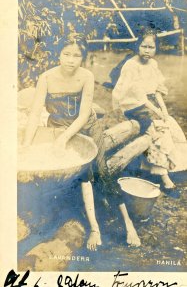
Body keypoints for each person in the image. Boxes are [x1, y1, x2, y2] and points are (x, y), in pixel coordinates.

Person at [21, 33, 104, 251]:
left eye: (76, 55)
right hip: (57, 126)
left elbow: (84, 114)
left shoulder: (86, 76)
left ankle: (95, 227)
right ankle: (46, 217)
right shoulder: (46, 78)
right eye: (66, 54)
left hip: (84, 127)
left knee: (96, 173)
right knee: (53, 169)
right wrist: (27, 146)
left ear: (82, 58)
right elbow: (34, 113)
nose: (70, 59)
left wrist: (65, 139)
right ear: (58, 55)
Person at [112, 28, 186, 191]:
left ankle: (171, 166)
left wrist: (164, 111)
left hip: (149, 103)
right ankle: (164, 177)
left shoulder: (153, 64)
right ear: (138, 46)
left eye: (151, 47)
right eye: (144, 46)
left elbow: (156, 91)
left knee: (170, 123)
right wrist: (158, 113)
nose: (147, 50)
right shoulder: (132, 65)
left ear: (156, 48)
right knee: (158, 130)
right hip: (133, 105)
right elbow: (139, 97)